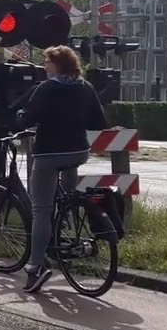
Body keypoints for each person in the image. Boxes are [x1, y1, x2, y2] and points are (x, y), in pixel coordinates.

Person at [14, 45, 108, 293]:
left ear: (59, 66)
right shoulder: (85, 87)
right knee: (68, 189)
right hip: (78, 152)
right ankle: (67, 218)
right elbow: (99, 122)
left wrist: (22, 114)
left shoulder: (46, 89)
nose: (45, 67)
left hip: (49, 155)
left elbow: (28, 118)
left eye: (48, 63)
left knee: (41, 211)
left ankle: (35, 267)